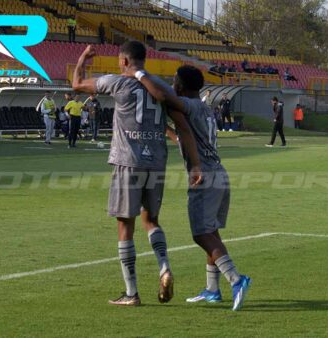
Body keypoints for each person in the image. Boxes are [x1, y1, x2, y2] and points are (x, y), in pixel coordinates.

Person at [71, 42, 202, 306]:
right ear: (144, 60)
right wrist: (195, 163)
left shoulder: (117, 83)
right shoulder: (162, 87)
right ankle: (164, 266)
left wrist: (83, 58)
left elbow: (77, 84)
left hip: (127, 160)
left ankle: (131, 293)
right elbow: (182, 125)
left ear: (122, 61)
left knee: (125, 224)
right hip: (156, 161)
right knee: (151, 220)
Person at [134, 64, 252, 311]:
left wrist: (139, 74)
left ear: (182, 85)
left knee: (200, 234)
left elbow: (166, 98)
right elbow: (183, 135)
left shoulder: (193, 105)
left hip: (206, 175)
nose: (172, 83)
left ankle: (236, 279)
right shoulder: (205, 109)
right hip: (218, 172)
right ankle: (212, 289)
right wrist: (165, 129)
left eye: (175, 80)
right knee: (212, 233)